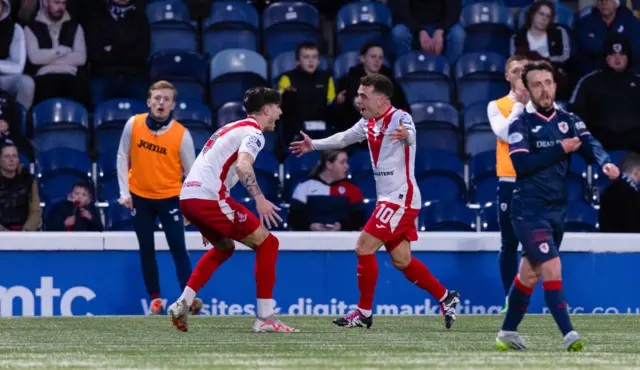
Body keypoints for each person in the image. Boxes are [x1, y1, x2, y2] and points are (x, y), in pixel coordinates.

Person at [290, 73, 460, 329]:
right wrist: (313, 145)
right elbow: (343, 138)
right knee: (402, 260)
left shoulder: (400, 118)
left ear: (381, 100)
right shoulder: (367, 123)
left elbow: (411, 133)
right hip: (390, 199)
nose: (358, 100)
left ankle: (363, 312)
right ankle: (446, 297)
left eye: (363, 96)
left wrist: (407, 135)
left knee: (364, 247)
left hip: (400, 198)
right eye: (358, 95)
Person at [496, 61, 619, 351]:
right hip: (527, 208)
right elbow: (522, 164)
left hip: (556, 210)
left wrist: (605, 162)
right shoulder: (520, 123)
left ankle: (507, 332)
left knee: (530, 273)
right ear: (527, 90)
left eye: (548, 82)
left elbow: (589, 143)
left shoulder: (569, 120)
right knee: (551, 266)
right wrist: (560, 149)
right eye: (537, 84)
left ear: (555, 85)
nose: (544, 89)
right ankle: (569, 334)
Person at [169, 87, 298, 334]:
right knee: (268, 244)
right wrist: (259, 199)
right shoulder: (254, 133)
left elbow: (205, 165)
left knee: (225, 247)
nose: (280, 113)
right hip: (207, 198)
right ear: (267, 109)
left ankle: (183, 303)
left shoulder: (228, 128)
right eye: (278, 108)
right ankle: (265, 318)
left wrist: (198, 212)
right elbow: (242, 166)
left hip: (190, 197)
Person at [116, 80, 199, 316]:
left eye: (166, 99)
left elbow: (191, 172)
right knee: (146, 249)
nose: (161, 103)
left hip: (170, 199)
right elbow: (122, 156)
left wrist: (188, 207)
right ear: (149, 101)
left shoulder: (182, 135)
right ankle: (155, 301)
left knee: (178, 250)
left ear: (173, 105)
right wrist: (124, 192)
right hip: (139, 198)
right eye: (157, 98)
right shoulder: (133, 124)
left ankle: (187, 300)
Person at [487, 55, 528, 314]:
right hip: (509, 179)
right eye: (515, 70)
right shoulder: (497, 105)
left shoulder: (542, 105)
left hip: (536, 179)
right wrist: (520, 106)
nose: (520, 74)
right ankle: (510, 298)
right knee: (510, 242)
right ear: (507, 76)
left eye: (525, 70)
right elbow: (504, 133)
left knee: (542, 240)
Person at [568, 34, 640, 152]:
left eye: (622, 54)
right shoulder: (589, 81)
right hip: (599, 142)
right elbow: (575, 114)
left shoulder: (638, 81)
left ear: (628, 57)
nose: (617, 59)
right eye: (612, 54)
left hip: (635, 143)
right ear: (605, 57)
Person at [334, 42, 409, 135]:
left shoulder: (390, 81)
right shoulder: (349, 79)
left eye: (380, 58)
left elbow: (403, 108)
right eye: (373, 57)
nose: (377, 60)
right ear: (362, 58)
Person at [24, 0, 88, 106]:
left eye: (64, 3)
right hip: (44, 78)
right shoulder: (31, 28)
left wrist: (47, 58)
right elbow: (35, 58)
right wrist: (62, 51)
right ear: (45, 2)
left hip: (71, 77)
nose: (61, 7)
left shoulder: (76, 26)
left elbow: (81, 58)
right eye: (57, 2)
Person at [290, 149, 366, 231]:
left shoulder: (352, 189)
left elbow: (359, 219)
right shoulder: (304, 187)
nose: (347, 166)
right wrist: (310, 226)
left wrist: (341, 227)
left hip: (343, 240)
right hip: (310, 240)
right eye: (342, 162)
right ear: (329, 164)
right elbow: (294, 218)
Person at [278, 42, 336, 146]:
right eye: (306, 57)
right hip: (296, 129)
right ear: (297, 61)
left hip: (322, 128)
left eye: (314, 57)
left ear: (318, 61)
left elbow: (331, 105)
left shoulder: (327, 78)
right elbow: (280, 106)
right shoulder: (287, 78)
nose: (311, 61)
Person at [510, 0, 571, 99]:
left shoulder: (559, 33)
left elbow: (565, 56)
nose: (544, 19)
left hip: (552, 76)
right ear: (533, 15)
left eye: (548, 16)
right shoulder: (518, 37)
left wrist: (540, 60)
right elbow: (515, 62)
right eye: (541, 14)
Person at [390, 0, 465, 63]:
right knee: (399, 32)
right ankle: (404, 70)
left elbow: (454, 10)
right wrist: (420, 30)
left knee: (458, 34)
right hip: (412, 27)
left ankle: (450, 72)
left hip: (442, 27)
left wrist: (441, 30)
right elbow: (402, 11)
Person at [0, 0, 35, 109]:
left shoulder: (14, 29)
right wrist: (6, 62)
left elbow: (18, 67)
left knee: (26, 83)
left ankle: (20, 122)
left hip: (4, 79)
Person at [0, 141, 41, 231]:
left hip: (25, 231)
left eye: (14, 156)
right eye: (7, 156)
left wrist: (25, 231)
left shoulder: (28, 179)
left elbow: (36, 210)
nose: (11, 160)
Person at [599, 151, 640, 233]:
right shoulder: (631, 193)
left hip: (609, 241)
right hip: (628, 242)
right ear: (637, 171)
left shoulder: (609, 189)